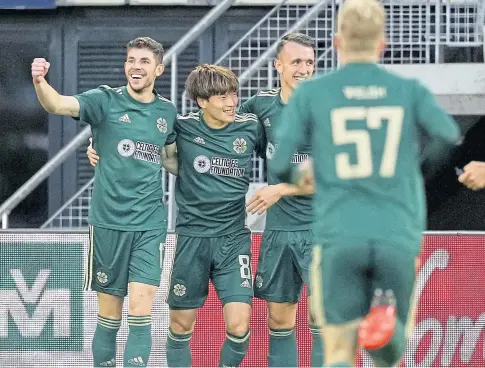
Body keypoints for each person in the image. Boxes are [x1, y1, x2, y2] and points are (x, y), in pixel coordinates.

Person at [267, 0, 462, 367]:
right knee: (390, 354)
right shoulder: (408, 89)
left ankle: (372, 339)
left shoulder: (313, 93)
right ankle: (383, 339)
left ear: (338, 42)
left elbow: (279, 162)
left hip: (339, 235)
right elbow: (448, 136)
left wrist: (299, 175)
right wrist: (415, 173)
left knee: (338, 349)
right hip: (395, 233)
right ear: (382, 43)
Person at [87, 64, 265, 367]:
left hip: (234, 239)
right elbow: (139, 135)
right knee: (181, 326)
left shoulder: (250, 125)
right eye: (222, 97)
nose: (231, 102)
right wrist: (98, 148)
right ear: (201, 101)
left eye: (234, 95)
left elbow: (281, 149)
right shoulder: (182, 126)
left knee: (240, 326)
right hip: (191, 240)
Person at [31, 37, 178, 368]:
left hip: (150, 224)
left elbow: (171, 159)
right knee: (109, 315)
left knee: (142, 308)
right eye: (130, 60)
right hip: (108, 222)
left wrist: (215, 168)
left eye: (143, 61)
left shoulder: (167, 111)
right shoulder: (104, 100)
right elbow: (57, 104)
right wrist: (40, 82)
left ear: (159, 69)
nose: (135, 67)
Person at [240, 32, 324, 367]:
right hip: (278, 231)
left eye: (309, 62)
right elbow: (218, 128)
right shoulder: (261, 106)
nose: (304, 69)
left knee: (321, 317)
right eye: (296, 62)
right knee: (278, 321)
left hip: (321, 230)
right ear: (278, 65)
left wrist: (280, 190)